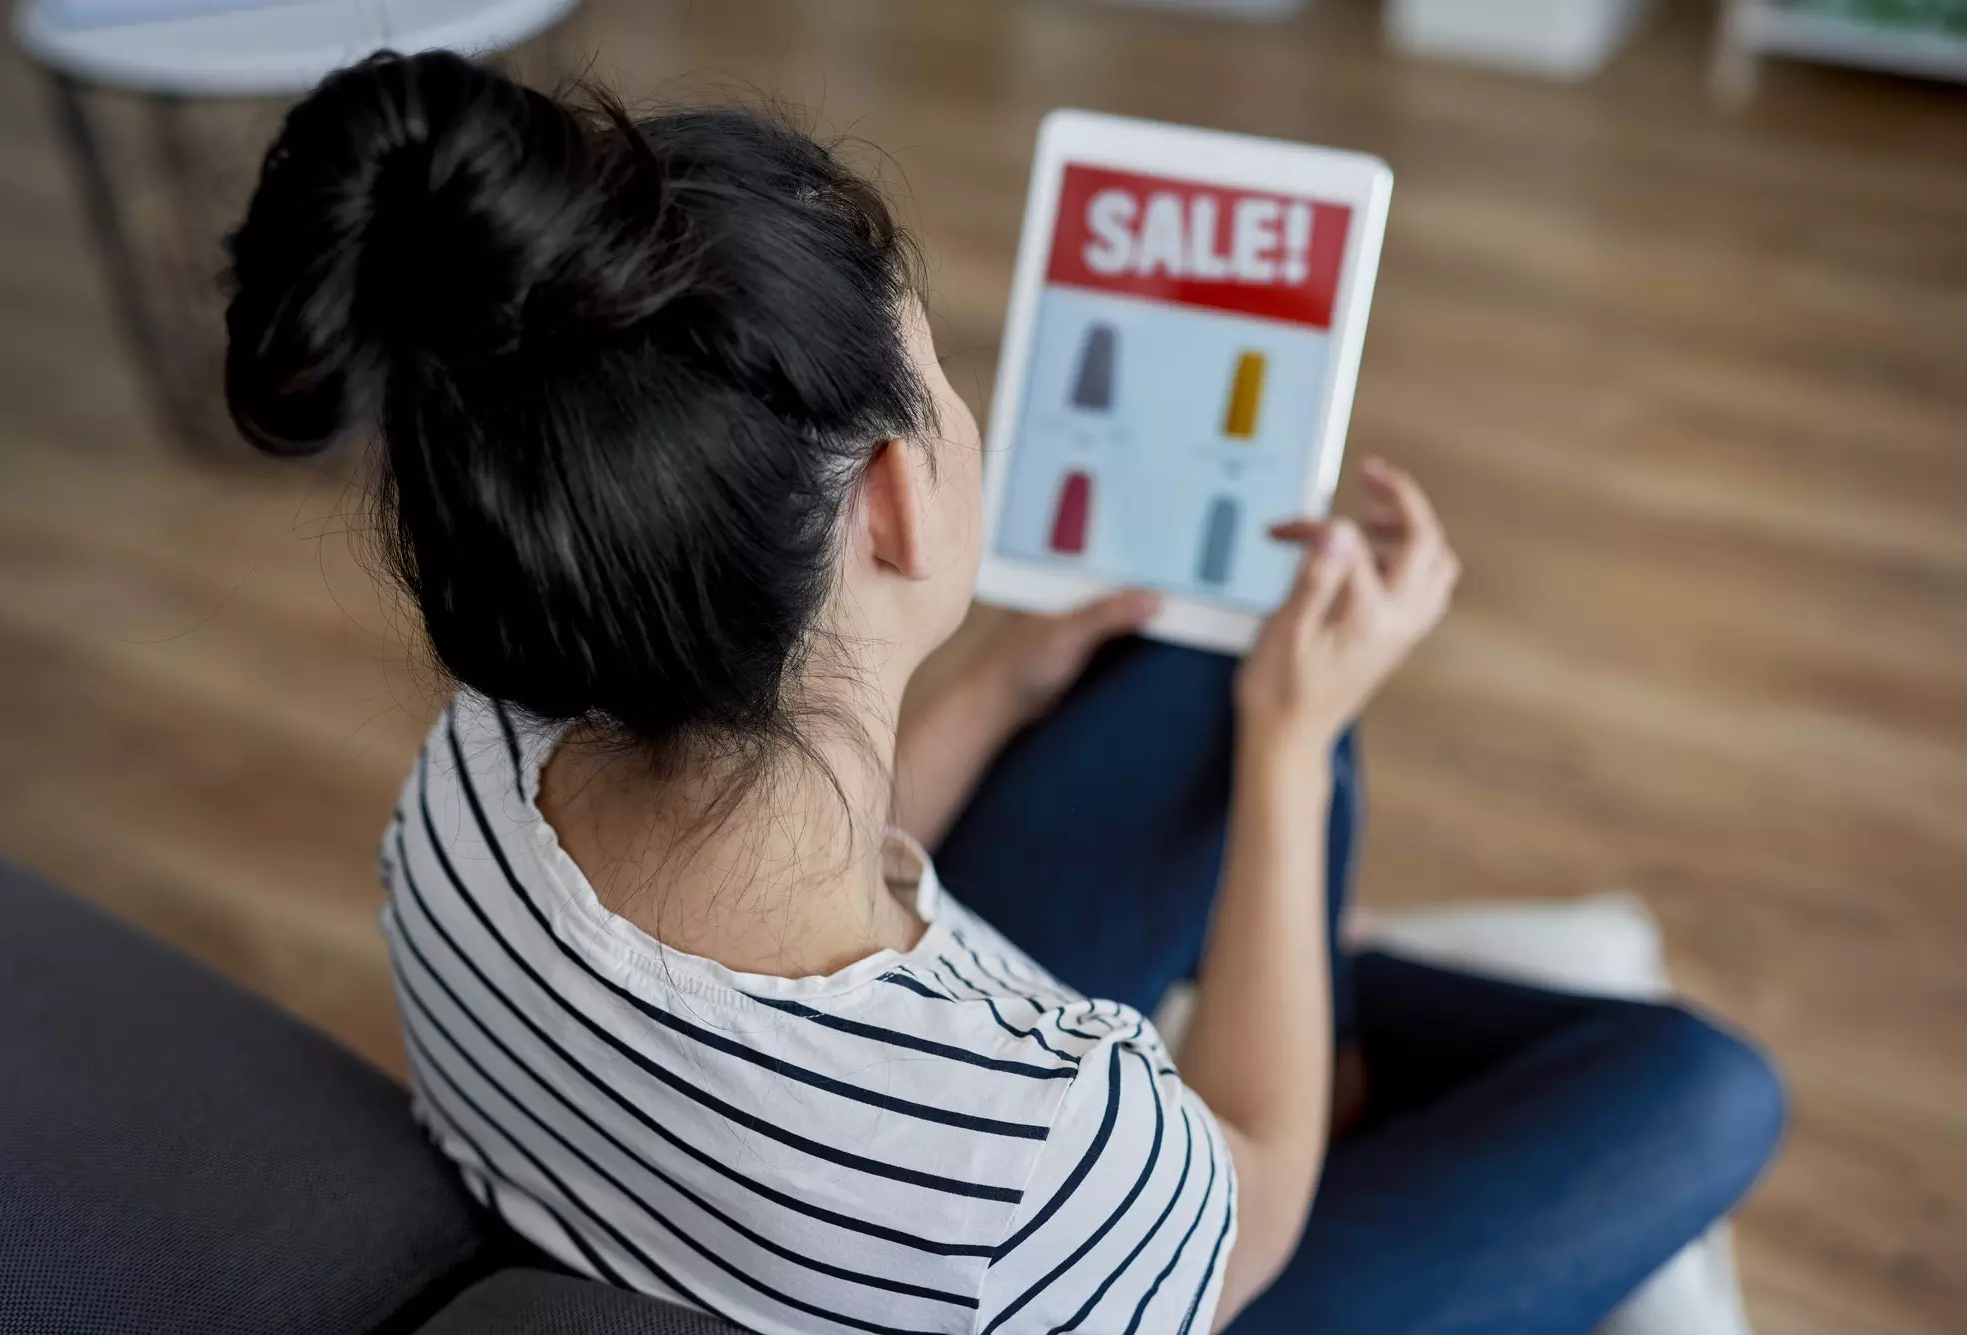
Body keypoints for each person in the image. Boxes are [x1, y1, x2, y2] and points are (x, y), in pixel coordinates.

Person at [222, 50, 1786, 1335]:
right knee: (1703, 1087)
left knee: (1189, 673)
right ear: (897, 500)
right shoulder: (1048, 1147)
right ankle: (1321, 1006)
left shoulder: (475, 775)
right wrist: (1294, 749)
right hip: (1090, 1261)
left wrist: (1003, 682)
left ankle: (1322, 992)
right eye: (944, 372)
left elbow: (746, 885)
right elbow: (1265, 1190)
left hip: (730, 1204)